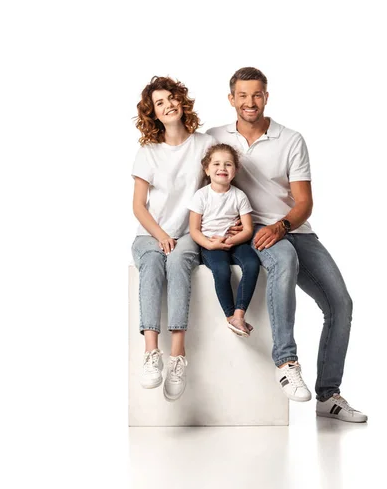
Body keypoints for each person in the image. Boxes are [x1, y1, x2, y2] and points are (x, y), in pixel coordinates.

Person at [206, 66, 367, 423]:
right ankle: (285, 361)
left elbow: (304, 202)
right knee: (284, 261)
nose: (250, 102)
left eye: (257, 94)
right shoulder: (214, 136)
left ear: (266, 96)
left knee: (341, 303)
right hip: (254, 230)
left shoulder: (290, 139)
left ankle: (329, 396)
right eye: (243, 95)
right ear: (231, 99)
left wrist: (282, 226)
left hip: (291, 227)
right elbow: (201, 184)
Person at [131, 75, 215, 402]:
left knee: (179, 261)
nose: (168, 106)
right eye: (159, 103)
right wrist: (161, 235)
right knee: (152, 264)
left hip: (187, 234)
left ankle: (178, 357)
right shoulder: (148, 152)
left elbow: (219, 187)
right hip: (150, 233)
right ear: (153, 113)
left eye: (171, 98)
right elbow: (138, 206)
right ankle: (152, 354)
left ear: (181, 100)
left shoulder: (204, 144)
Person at [189, 143, 260, 337]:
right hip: (211, 245)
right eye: (216, 164)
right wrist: (210, 244)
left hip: (234, 243)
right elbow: (194, 230)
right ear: (207, 169)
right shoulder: (201, 196)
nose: (222, 168)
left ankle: (239, 314)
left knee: (252, 263)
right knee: (221, 271)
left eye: (228, 164)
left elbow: (248, 229)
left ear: (236, 170)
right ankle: (230, 317)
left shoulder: (239, 196)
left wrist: (232, 240)